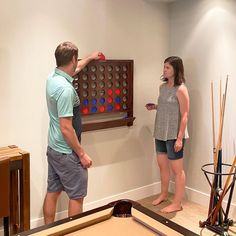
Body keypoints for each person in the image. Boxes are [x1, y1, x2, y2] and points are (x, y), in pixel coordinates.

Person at [43, 41, 100, 224]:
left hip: (53, 149)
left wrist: (90, 58)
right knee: (76, 196)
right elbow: (66, 127)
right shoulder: (66, 90)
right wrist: (81, 154)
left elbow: (74, 70)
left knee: (53, 192)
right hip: (67, 153)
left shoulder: (53, 78)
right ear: (73, 59)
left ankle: (48, 231)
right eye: (78, 59)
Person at [146, 56, 189, 213]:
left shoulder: (181, 89)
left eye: (167, 68)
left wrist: (179, 138)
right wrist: (156, 107)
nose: (164, 70)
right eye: (164, 67)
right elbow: (168, 107)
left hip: (174, 135)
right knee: (162, 166)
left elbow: (184, 115)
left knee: (178, 171)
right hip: (160, 132)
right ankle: (164, 194)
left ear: (176, 70)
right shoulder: (162, 87)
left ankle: (177, 203)